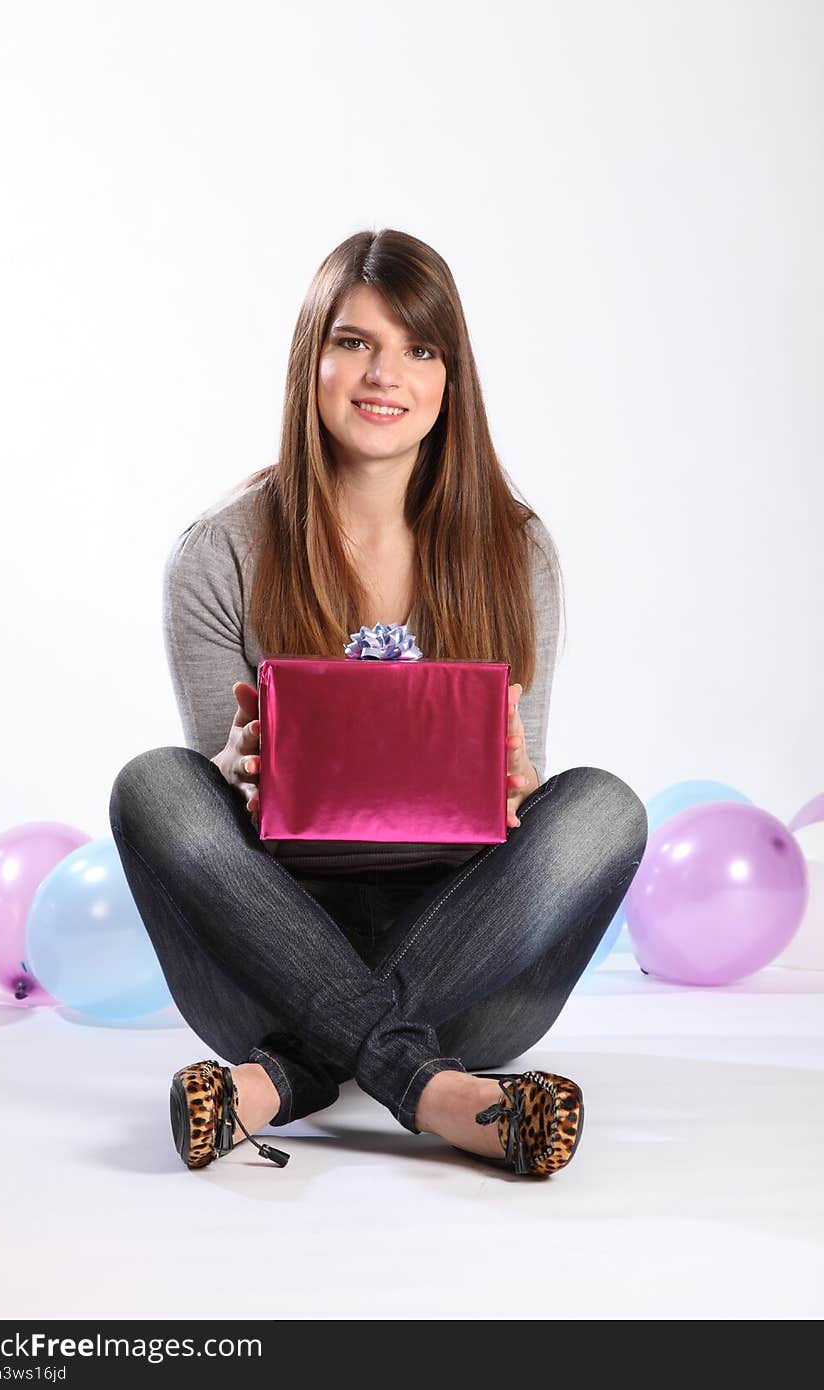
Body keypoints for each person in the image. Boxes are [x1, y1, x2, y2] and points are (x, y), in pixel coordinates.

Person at [108, 227, 648, 1179]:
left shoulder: (516, 555)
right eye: (354, 341)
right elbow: (218, 832)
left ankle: (278, 1085)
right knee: (157, 782)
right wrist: (234, 772)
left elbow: (523, 818)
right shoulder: (220, 551)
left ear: (451, 378)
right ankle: (433, 1093)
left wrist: (518, 785)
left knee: (601, 805)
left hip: (468, 975)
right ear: (310, 360)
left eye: (419, 348)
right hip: (266, 960)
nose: (383, 374)